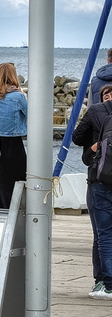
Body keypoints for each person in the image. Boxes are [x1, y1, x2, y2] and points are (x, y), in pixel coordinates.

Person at [72, 82, 112, 298]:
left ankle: (105, 282)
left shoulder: (95, 110)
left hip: (99, 177)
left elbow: (77, 137)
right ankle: (102, 280)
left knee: (102, 233)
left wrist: (94, 143)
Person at [0, 62, 28, 209]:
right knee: (17, 182)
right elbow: (32, 115)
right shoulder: (18, 97)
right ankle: (15, 215)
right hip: (14, 143)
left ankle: (0, 213)